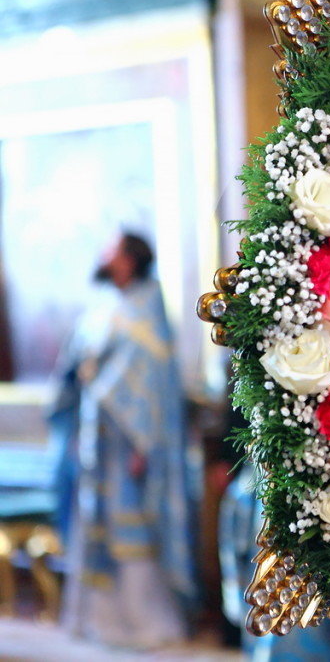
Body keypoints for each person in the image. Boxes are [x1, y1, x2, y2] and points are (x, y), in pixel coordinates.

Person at [50, 232, 195, 649]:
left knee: (133, 532)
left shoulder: (147, 307)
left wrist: (143, 444)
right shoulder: (105, 304)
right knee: (94, 526)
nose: (103, 254)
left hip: (129, 445)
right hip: (96, 442)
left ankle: (144, 625)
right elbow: (82, 362)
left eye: (111, 249)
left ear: (129, 260)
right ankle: (99, 621)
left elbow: (149, 381)